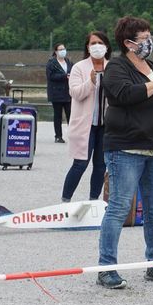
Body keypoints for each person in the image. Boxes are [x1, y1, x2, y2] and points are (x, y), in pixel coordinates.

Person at [96, 17, 153, 289]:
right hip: (126, 147)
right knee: (119, 208)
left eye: (150, 36)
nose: (149, 42)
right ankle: (106, 267)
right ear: (128, 43)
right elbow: (125, 95)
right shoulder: (116, 67)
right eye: (142, 37)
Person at [61, 32, 110, 202]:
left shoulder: (112, 67)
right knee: (80, 164)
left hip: (105, 126)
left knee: (100, 166)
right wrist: (90, 82)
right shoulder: (79, 67)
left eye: (100, 42)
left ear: (107, 46)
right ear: (88, 47)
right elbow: (75, 93)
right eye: (93, 43)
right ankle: (66, 200)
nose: (97, 46)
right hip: (85, 126)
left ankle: (93, 201)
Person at [46, 42, 72, 143]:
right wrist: (64, 76)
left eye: (64, 49)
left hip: (68, 92)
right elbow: (50, 76)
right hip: (56, 93)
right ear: (56, 51)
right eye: (60, 49)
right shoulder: (51, 63)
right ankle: (58, 136)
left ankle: (73, 134)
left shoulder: (68, 62)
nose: (63, 51)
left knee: (70, 114)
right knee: (58, 115)